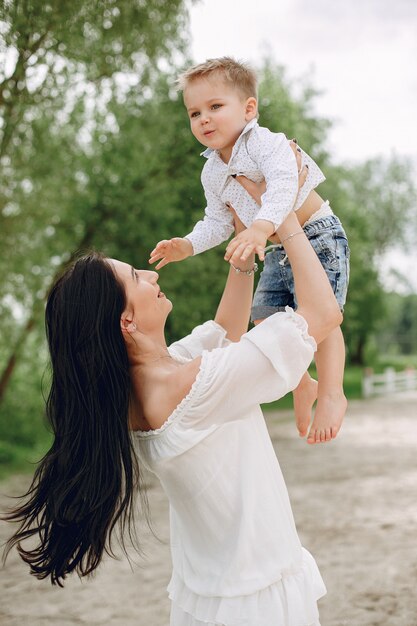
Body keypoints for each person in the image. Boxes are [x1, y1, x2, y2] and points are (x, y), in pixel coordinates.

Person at [3, 162, 342, 624]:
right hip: (253, 601)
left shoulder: (149, 383)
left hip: (210, 595)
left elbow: (225, 331)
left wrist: (243, 240)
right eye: (138, 278)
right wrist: (283, 216)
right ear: (126, 322)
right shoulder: (186, 387)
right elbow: (321, 314)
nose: (152, 274)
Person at [150, 57, 350, 445]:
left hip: (316, 233)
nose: (203, 119)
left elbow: (282, 185)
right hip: (275, 247)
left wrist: (260, 226)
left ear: (249, 108)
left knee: (324, 317)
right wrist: (187, 245)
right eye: (194, 113)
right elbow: (219, 221)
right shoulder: (211, 170)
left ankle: (331, 391)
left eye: (215, 107)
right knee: (266, 318)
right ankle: (302, 383)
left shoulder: (264, 144)